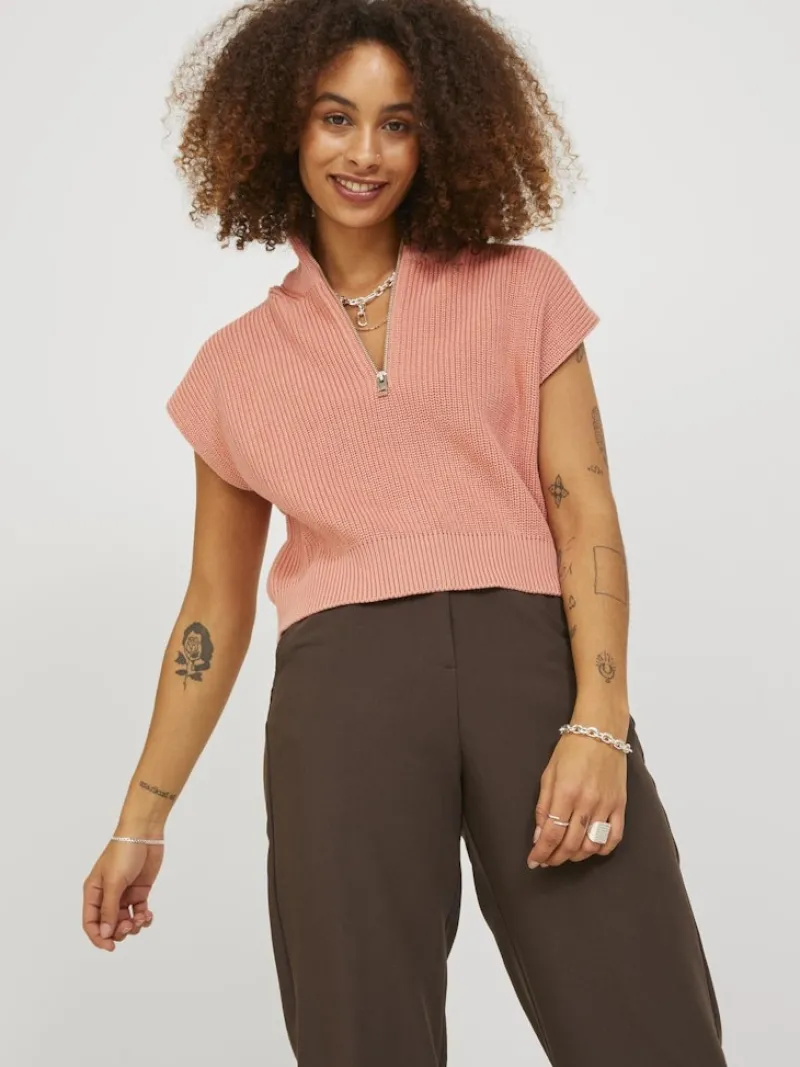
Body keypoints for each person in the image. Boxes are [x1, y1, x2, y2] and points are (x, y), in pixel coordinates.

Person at [81, 1, 728, 1064]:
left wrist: (599, 719)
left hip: (533, 675)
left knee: (647, 1026)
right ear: (283, 126)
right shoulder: (232, 367)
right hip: (342, 699)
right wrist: (140, 816)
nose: (365, 154)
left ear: (442, 135)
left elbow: (584, 508)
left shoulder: (521, 289)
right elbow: (213, 606)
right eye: (336, 117)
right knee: (358, 1038)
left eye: (398, 123)